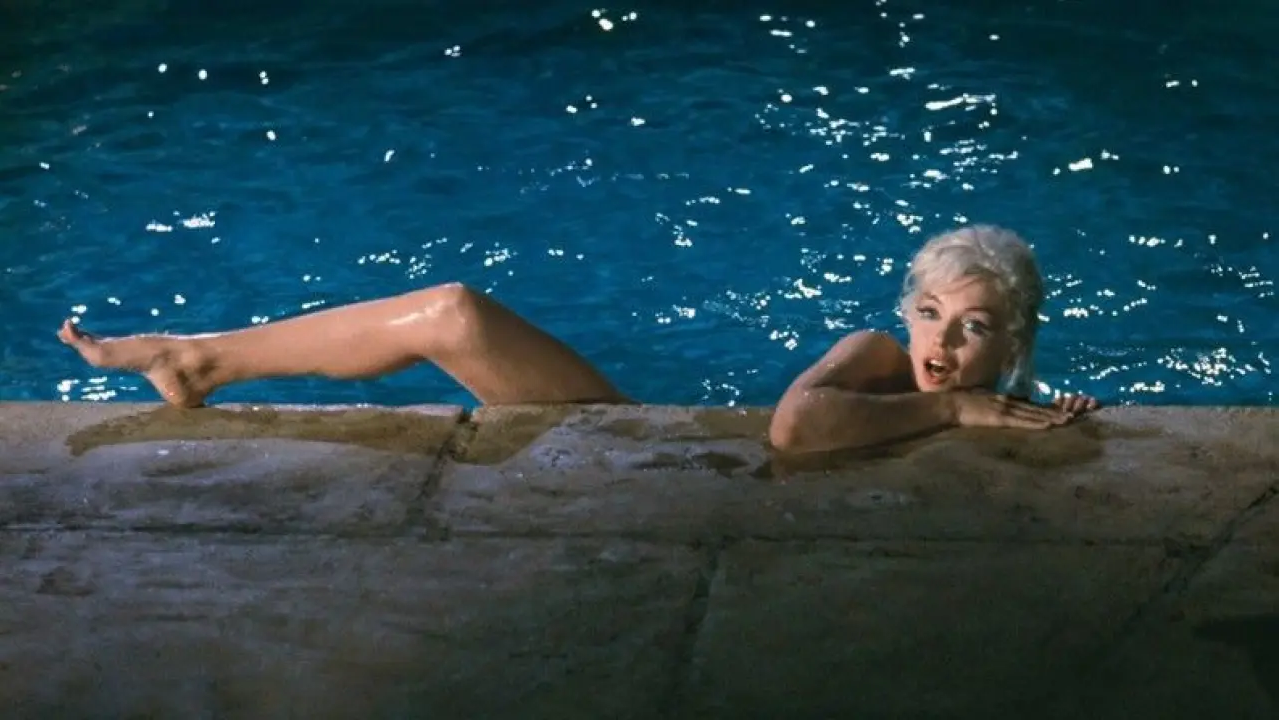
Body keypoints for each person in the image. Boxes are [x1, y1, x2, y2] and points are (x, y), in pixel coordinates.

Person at [58, 224, 1098, 453]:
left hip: (660, 468)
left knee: (454, 315)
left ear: (1014, 341)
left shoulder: (1011, 396)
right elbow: (793, 429)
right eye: (931, 315)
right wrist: (950, 412)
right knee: (454, 311)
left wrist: (1044, 412)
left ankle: (196, 360)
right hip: (640, 449)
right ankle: (195, 356)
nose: (941, 342)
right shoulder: (872, 353)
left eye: (973, 330)